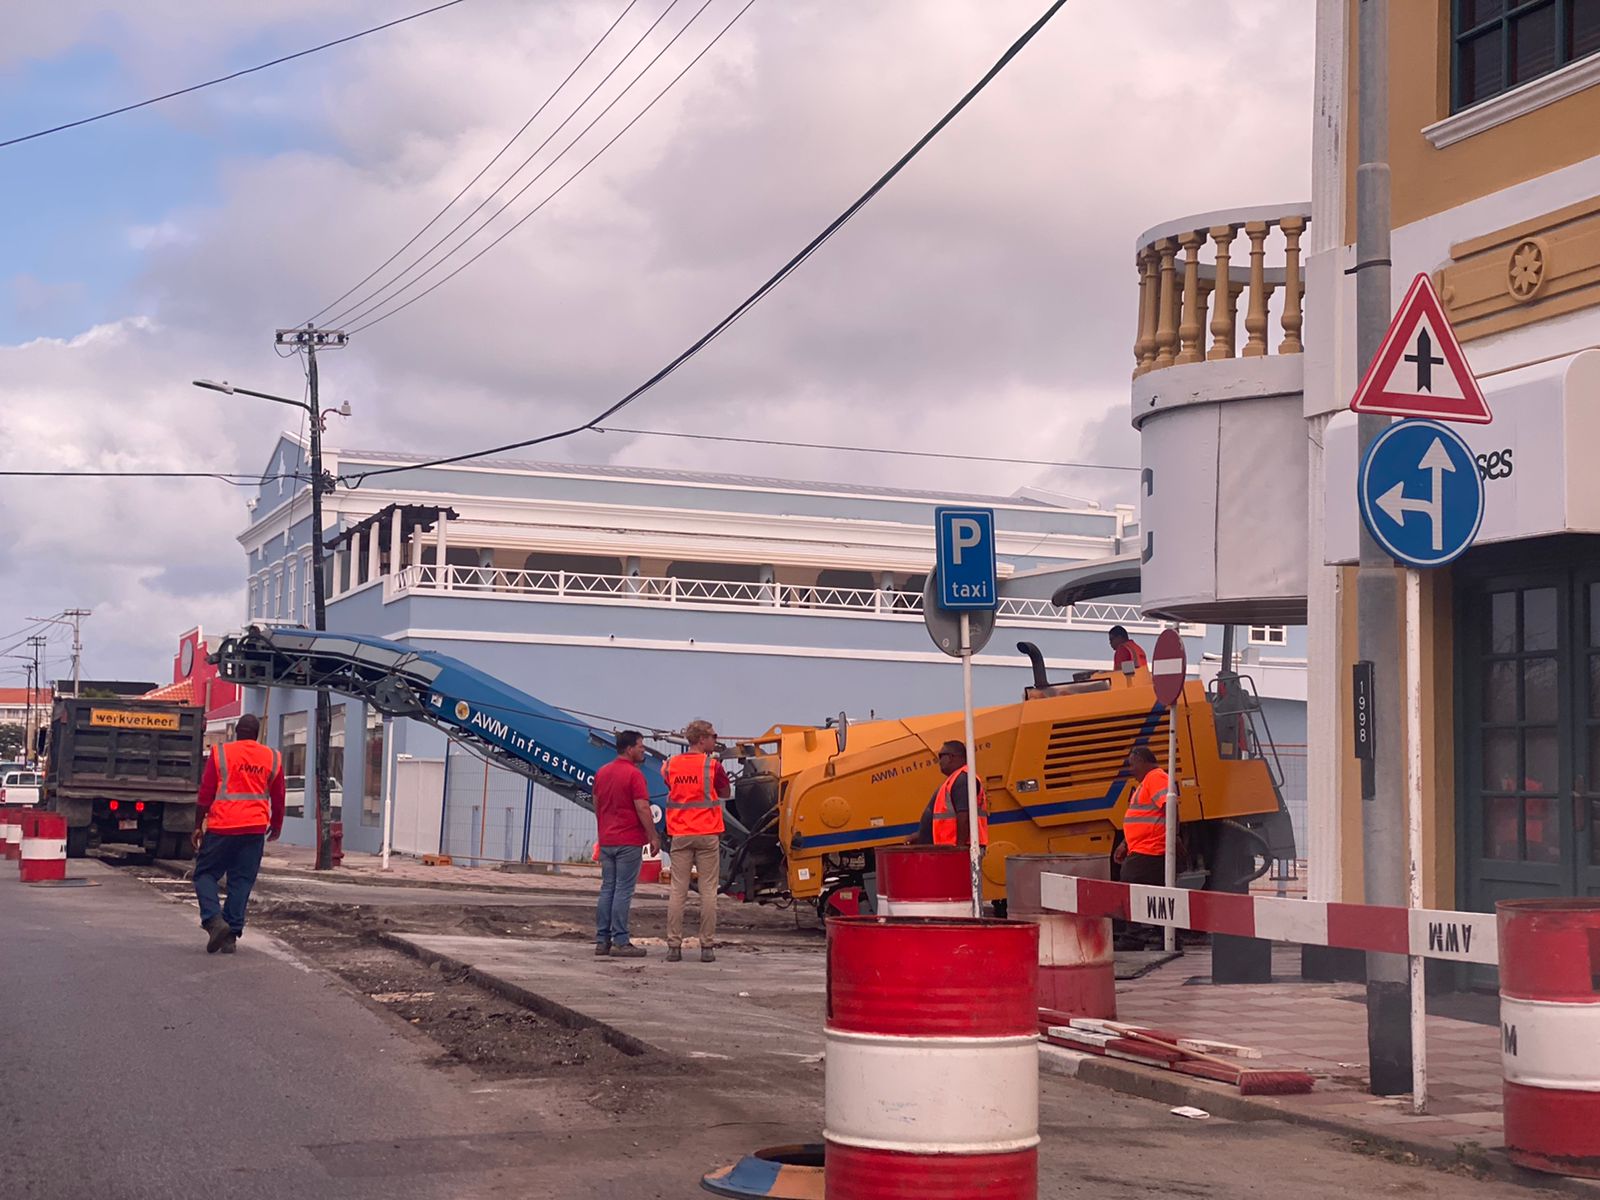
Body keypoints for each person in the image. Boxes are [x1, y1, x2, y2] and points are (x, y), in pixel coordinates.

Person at [191, 713, 284, 954]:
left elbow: (206, 792)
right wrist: (277, 824)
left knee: (205, 874)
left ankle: (213, 921)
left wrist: (197, 824)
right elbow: (279, 796)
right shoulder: (272, 757)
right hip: (253, 829)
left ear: (236, 732)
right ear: (256, 734)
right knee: (241, 881)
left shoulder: (221, 753)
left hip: (222, 827)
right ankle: (230, 934)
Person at [663, 719, 730, 963]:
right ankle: (707, 947)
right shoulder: (712, 766)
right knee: (708, 891)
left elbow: (670, 785)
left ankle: (673, 947)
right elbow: (725, 793)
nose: (716, 740)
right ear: (702, 739)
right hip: (707, 834)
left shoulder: (670, 765)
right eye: (713, 736)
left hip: (680, 834)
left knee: (677, 891)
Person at [593, 730, 662, 958]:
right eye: (641, 746)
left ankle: (602, 941)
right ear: (629, 748)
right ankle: (621, 940)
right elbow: (643, 807)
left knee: (607, 888)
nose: (643, 750)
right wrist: (653, 835)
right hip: (628, 841)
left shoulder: (602, 772)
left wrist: (603, 828)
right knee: (623, 889)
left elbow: (597, 802)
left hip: (607, 840)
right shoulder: (634, 775)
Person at [911, 740, 988, 847]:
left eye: (941, 756)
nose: (940, 761)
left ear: (951, 757)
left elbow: (964, 817)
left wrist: (959, 850)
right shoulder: (954, 779)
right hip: (947, 848)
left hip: (956, 849)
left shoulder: (963, 779)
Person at [1115, 745, 1170, 887]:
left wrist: (1173, 838)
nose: (1131, 770)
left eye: (1132, 765)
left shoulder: (1156, 777)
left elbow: (1171, 807)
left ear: (1141, 760)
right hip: (1141, 850)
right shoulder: (1147, 781)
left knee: (1129, 889)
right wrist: (1125, 844)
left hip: (1150, 851)